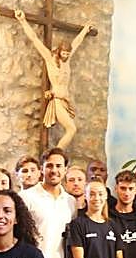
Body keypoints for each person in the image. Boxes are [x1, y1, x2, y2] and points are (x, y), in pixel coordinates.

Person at [14, 8, 93, 151]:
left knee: (72, 129)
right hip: (56, 100)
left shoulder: (66, 61)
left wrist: (85, 30)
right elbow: (34, 39)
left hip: (65, 101)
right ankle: (57, 154)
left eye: (68, 53)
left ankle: (57, 154)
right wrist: (23, 20)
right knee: (71, 129)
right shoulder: (50, 59)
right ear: (59, 51)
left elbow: (77, 41)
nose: (66, 55)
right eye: (64, 53)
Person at [68, 181, 124, 258]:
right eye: (92, 194)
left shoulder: (113, 225)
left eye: (100, 194)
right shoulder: (77, 224)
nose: (97, 198)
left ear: (106, 196)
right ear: (85, 196)